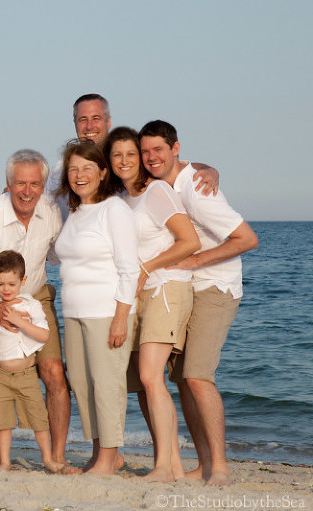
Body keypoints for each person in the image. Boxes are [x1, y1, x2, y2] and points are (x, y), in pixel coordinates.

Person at [139, 120, 258, 486]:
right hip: (188, 288)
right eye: (145, 151)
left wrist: (193, 261)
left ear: (176, 148)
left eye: (158, 149)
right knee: (182, 378)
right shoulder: (164, 185)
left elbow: (246, 238)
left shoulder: (197, 189)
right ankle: (204, 465)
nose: (150, 157)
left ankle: (220, 468)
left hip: (215, 287)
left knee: (198, 376)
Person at [105, 127, 201, 482]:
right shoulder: (120, 199)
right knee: (147, 384)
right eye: (117, 156)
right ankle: (173, 466)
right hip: (136, 297)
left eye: (132, 154)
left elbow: (189, 240)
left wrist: (147, 267)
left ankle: (162, 467)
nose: (126, 161)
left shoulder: (157, 191)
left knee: (150, 376)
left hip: (166, 290)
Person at [0, 149, 72, 469]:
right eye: (19, 183)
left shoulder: (52, 214)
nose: (27, 191)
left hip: (36, 297)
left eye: (34, 184)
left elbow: (60, 255)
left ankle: (55, 456)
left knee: (54, 373)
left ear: (43, 185)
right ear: (7, 183)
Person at [53, 140, 139, 475]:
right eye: (73, 169)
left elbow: (129, 268)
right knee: (84, 384)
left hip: (106, 312)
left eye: (87, 167)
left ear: (103, 173)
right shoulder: (75, 211)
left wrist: (121, 318)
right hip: (73, 311)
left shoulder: (114, 209)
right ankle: (100, 453)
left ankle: (110, 455)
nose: (79, 174)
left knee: (107, 384)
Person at [46, 94, 221, 216]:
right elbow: (47, 209)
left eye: (96, 118)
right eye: (83, 120)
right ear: (75, 123)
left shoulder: (127, 156)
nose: (90, 126)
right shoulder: (62, 169)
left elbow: (169, 165)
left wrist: (209, 169)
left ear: (108, 122)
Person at [0, 250, 60, 474]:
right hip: (0, 375)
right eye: (0, 284)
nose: (6, 289)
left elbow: (44, 335)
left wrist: (19, 321)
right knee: (2, 422)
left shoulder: (31, 305)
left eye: (11, 284)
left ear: (23, 281)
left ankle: (47, 459)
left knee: (39, 419)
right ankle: (5, 462)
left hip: (27, 375)